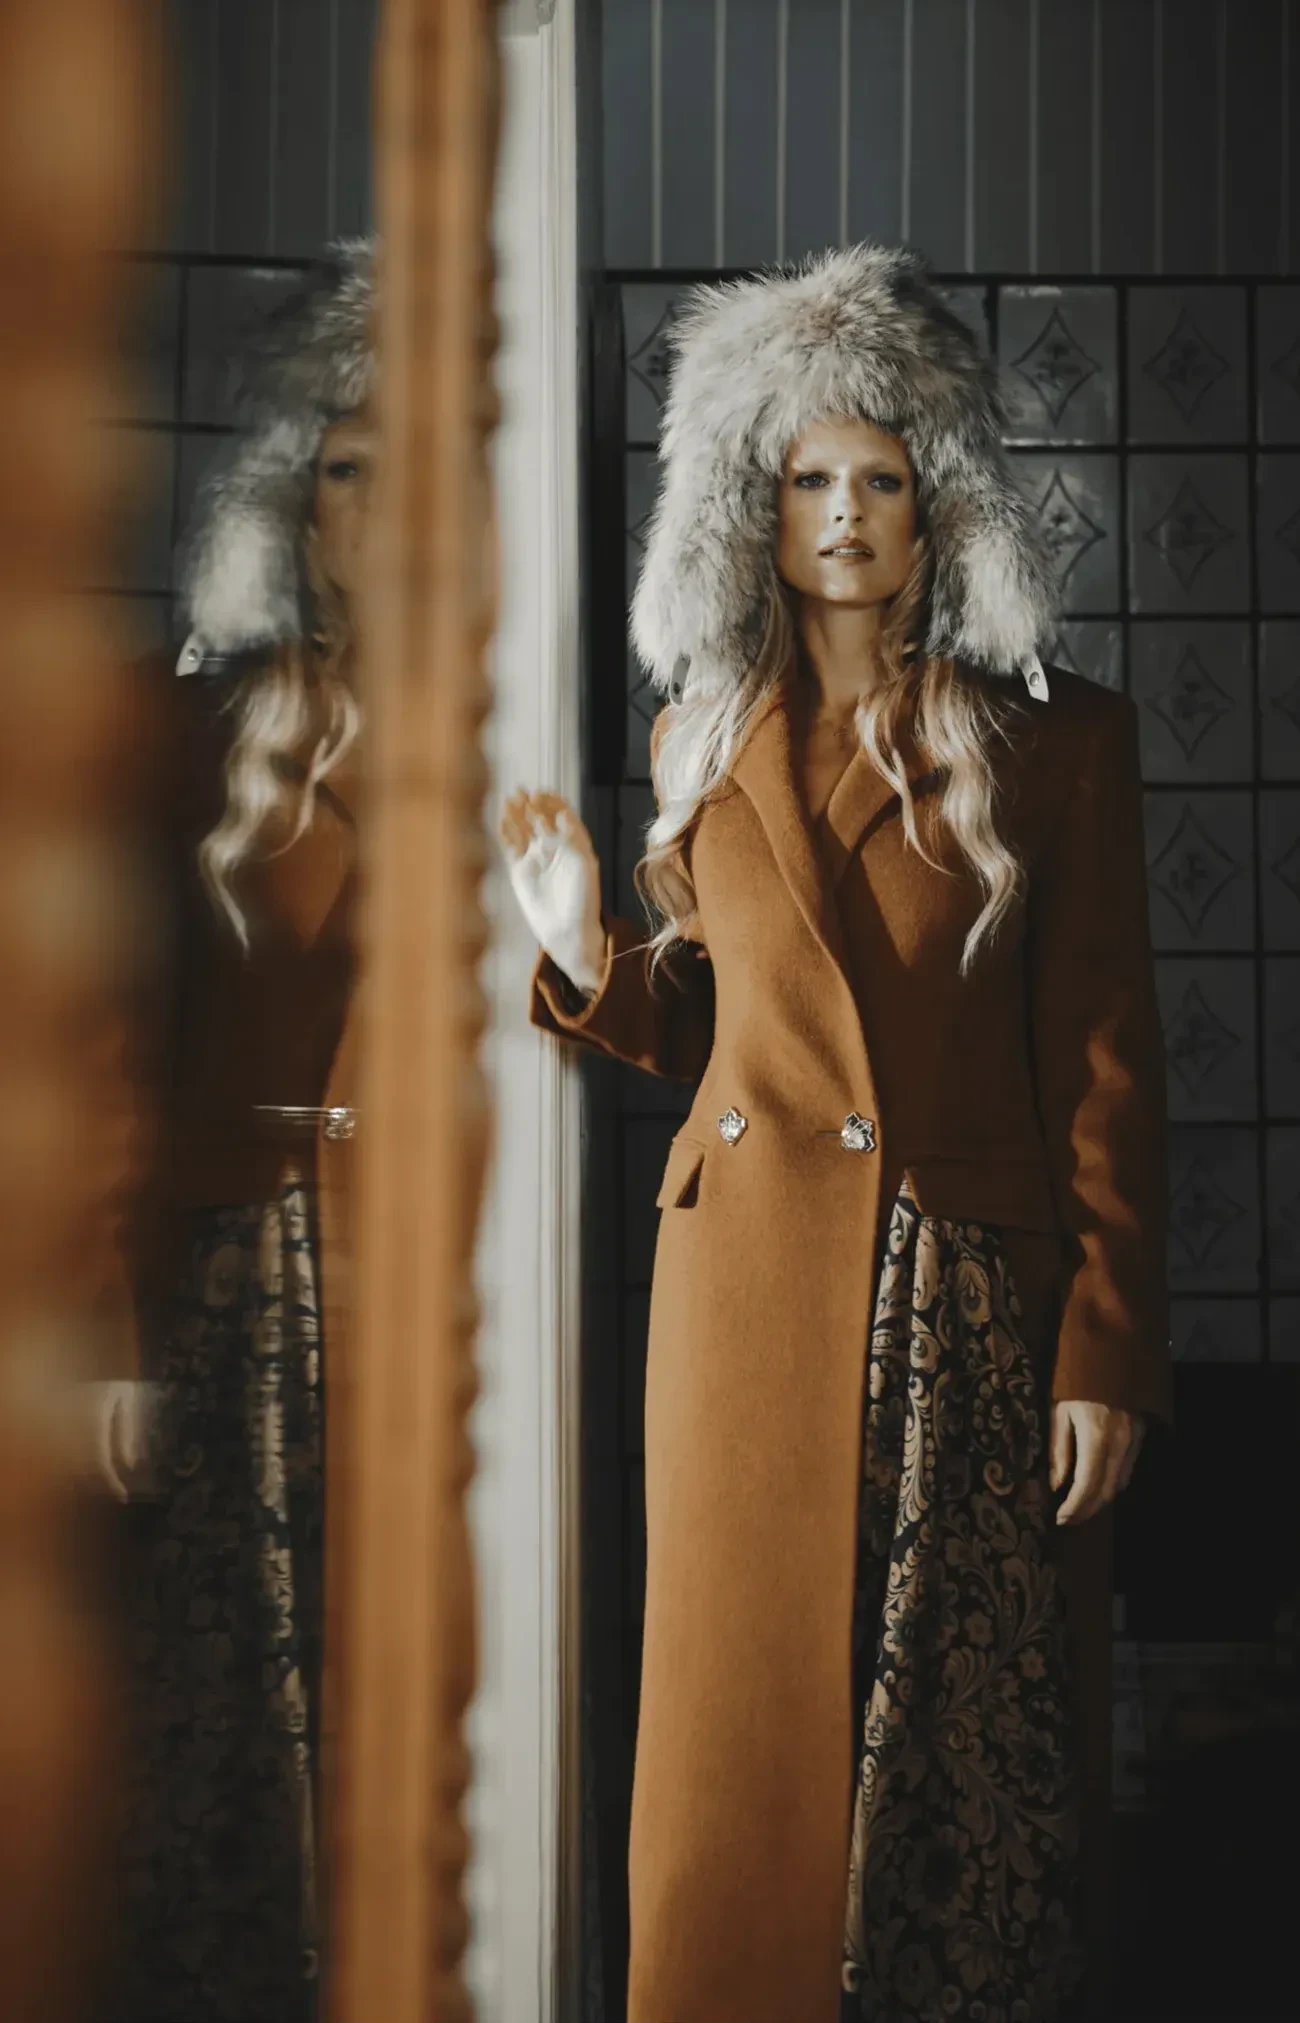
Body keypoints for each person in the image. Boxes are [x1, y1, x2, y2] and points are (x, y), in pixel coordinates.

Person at [500, 243, 1170, 2023]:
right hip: (742, 1296)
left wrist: (1106, 1346)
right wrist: (584, 952)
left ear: (941, 502)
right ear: (757, 505)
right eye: (811, 478)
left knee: (962, 1721)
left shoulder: (1057, 746)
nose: (848, 514)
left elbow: (1107, 1062)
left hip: (965, 1295)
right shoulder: (700, 736)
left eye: (883, 476)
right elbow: (722, 1029)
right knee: (740, 1716)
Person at [106, 242, 375, 2023]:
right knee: (213, 1710)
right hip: (224, 1281)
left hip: (433, 1276)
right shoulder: (183, 727)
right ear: (294, 498)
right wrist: (102, 1332)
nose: (386, 506)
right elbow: (103, 1044)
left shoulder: (512, 729)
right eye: (348, 465)